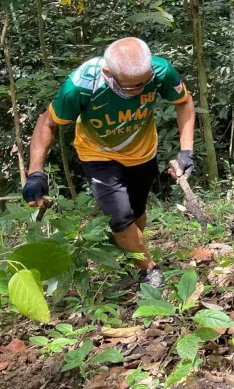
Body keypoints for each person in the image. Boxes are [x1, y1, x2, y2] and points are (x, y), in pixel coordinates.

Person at [24, 38, 196, 288]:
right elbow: (47, 122)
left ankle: (133, 255)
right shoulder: (81, 85)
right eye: (130, 87)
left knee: (136, 212)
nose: (138, 90)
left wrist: (186, 151)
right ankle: (149, 269)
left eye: (143, 83)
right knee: (120, 217)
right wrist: (35, 172)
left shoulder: (160, 71)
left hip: (143, 151)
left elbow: (184, 102)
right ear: (108, 73)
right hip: (98, 154)